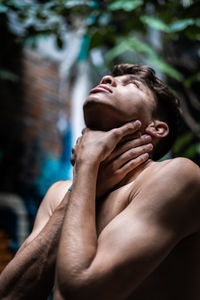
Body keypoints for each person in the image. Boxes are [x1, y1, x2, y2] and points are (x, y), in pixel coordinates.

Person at [0, 64, 199, 300]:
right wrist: (86, 178)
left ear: (156, 128)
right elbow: (10, 295)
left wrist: (86, 166)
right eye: (112, 78)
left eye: (131, 84)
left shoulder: (176, 176)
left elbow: (80, 292)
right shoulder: (60, 193)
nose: (107, 79)